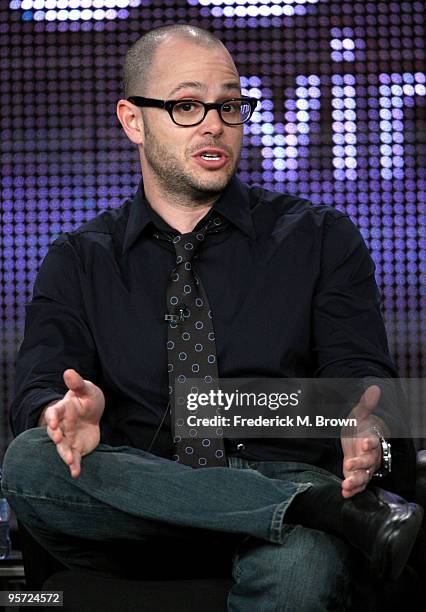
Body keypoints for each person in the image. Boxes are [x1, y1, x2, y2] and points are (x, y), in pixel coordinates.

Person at [1, 23, 423, 611]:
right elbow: (38, 390)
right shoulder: (79, 259)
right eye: (187, 105)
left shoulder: (320, 238)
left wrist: (366, 429)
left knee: (303, 564)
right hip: (136, 508)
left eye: (229, 105)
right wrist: (64, 412)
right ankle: (299, 502)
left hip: (283, 518)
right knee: (29, 462)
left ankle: (295, 508)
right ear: (132, 120)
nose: (214, 123)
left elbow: (363, 380)